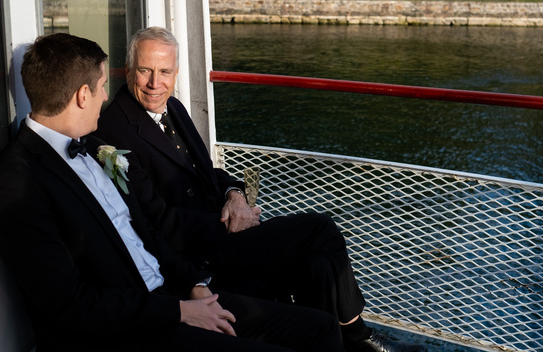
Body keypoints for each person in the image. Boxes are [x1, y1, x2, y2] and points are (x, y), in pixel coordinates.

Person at [0, 33, 343, 352]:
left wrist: (193, 284)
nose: (106, 96)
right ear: (82, 95)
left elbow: (146, 233)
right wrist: (179, 311)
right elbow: (71, 305)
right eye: (102, 86)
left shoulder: (91, 148)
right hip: (128, 332)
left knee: (320, 328)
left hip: (172, 294)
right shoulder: (14, 184)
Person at [97, 26, 426, 352]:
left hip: (224, 234)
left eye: (165, 72)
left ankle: (339, 344)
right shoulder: (113, 131)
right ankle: (357, 336)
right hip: (202, 250)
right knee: (321, 228)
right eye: (146, 70)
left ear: (176, 72)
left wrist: (235, 195)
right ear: (129, 69)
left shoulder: (174, 108)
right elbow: (156, 219)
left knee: (319, 265)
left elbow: (208, 173)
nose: (155, 83)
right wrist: (228, 224)